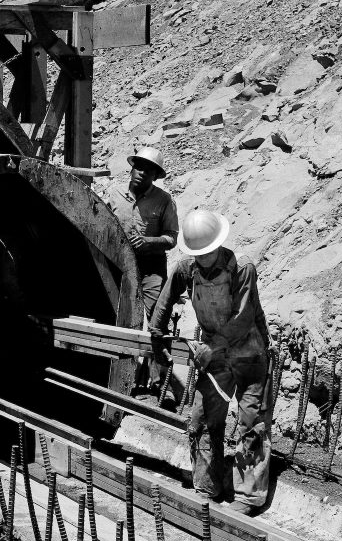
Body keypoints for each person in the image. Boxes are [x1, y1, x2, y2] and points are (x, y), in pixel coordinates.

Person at [149, 210, 272, 515]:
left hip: (249, 354)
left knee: (251, 422)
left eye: (208, 253)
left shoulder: (242, 268)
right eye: (198, 255)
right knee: (201, 418)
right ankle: (208, 484)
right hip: (215, 357)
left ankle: (248, 496)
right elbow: (166, 298)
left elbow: (243, 318)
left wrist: (210, 347)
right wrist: (156, 333)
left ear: (218, 244)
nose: (203, 259)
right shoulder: (187, 267)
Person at [106, 147, 178, 395]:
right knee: (116, 317)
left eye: (148, 171)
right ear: (131, 167)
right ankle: (119, 377)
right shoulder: (114, 195)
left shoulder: (164, 200)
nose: (141, 173)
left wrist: (149, 242)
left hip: (151, 267)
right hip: (118, 264)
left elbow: (171, 239)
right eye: (138, 167)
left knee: (158, 321)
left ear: (155, 176)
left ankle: (160, 384)